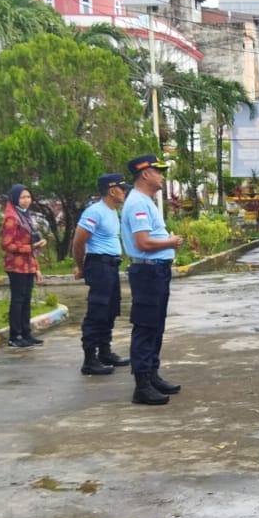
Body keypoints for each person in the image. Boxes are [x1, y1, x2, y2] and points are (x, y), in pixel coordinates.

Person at [121, 154, 186, 406]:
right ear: (145, 174)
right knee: (146, 327)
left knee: (156, 326)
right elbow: (143, 243)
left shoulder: (145, 201)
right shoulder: (138, 203)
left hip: (156, 271)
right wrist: (170, 242)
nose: (162, 176)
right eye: (158, 171)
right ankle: (142, 385)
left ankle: (152, 374)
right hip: (147, 272)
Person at [73, 173, 134, 376]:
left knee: (110, 310)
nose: (125, 192)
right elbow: (79, 241)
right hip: (99, 264)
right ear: (112, 190)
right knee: (97, 311)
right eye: (122, 188)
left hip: (110, 265)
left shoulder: (111, 211)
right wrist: (80, 266)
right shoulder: (95, 212)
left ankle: (105, 352)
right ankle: (90, 359)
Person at [1, 184, 43, 348]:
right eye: (22, 197)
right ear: (15, 199)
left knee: (26, 300)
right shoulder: (11, 217)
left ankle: (26, 333)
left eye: (28, 197)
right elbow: (6, 244)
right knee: (18, 300)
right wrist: (30, 248)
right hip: (16, 265)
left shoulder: (25, 215)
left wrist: (36, 265)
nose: (26, 200)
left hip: (28, 264)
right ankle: (15, 335)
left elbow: (30, 241)